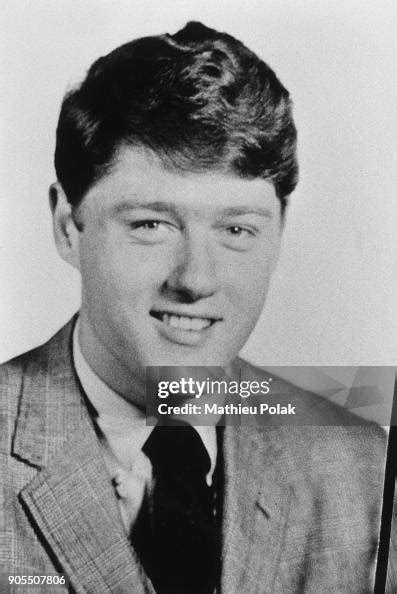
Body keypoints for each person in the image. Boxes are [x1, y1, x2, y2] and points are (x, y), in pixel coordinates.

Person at [0, 21, 386, 593]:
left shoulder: (365, 472)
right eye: (151, 224)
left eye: (236, 228)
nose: (197, 280)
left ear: (279, 231)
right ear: (67, 227)